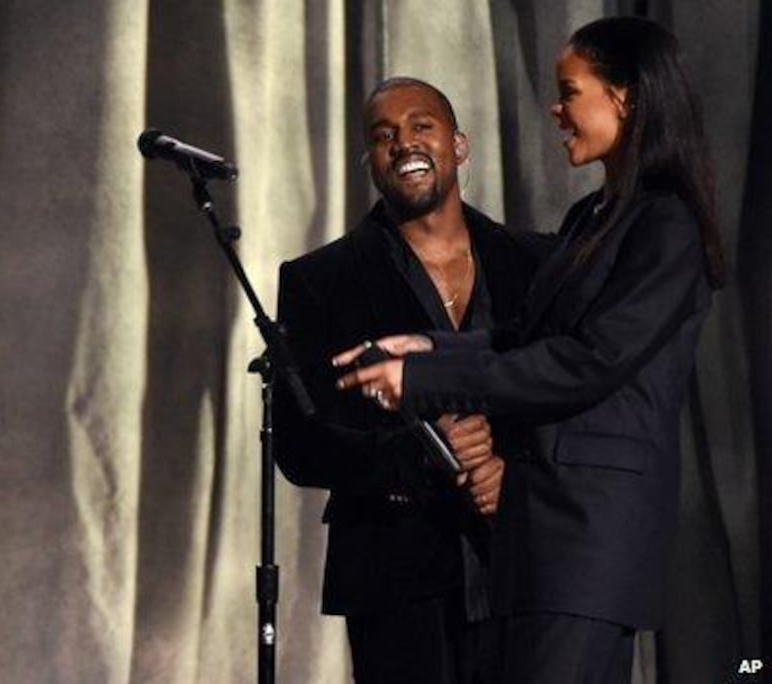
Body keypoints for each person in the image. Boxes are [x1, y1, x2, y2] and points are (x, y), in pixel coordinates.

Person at [340, 17, 724, 683]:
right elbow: (523, 339)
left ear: (625, 98)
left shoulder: (666, 225)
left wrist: (423, 380)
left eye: (570, 92)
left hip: (589, 538)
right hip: (538, 537)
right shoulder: (590, 219)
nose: (556, 109)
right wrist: (424, 345)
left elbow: (587, 363)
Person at [274, 77, 551, 683]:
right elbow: (301, 445)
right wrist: (425, 452)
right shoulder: (317, 280)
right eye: (383, 136)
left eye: (421, 125)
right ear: (370, 162)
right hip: (394, 578)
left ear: (459, 143)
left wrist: (515, 469)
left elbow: (569, 391)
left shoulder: (539, 263)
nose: (403, 143)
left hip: (528, 566)